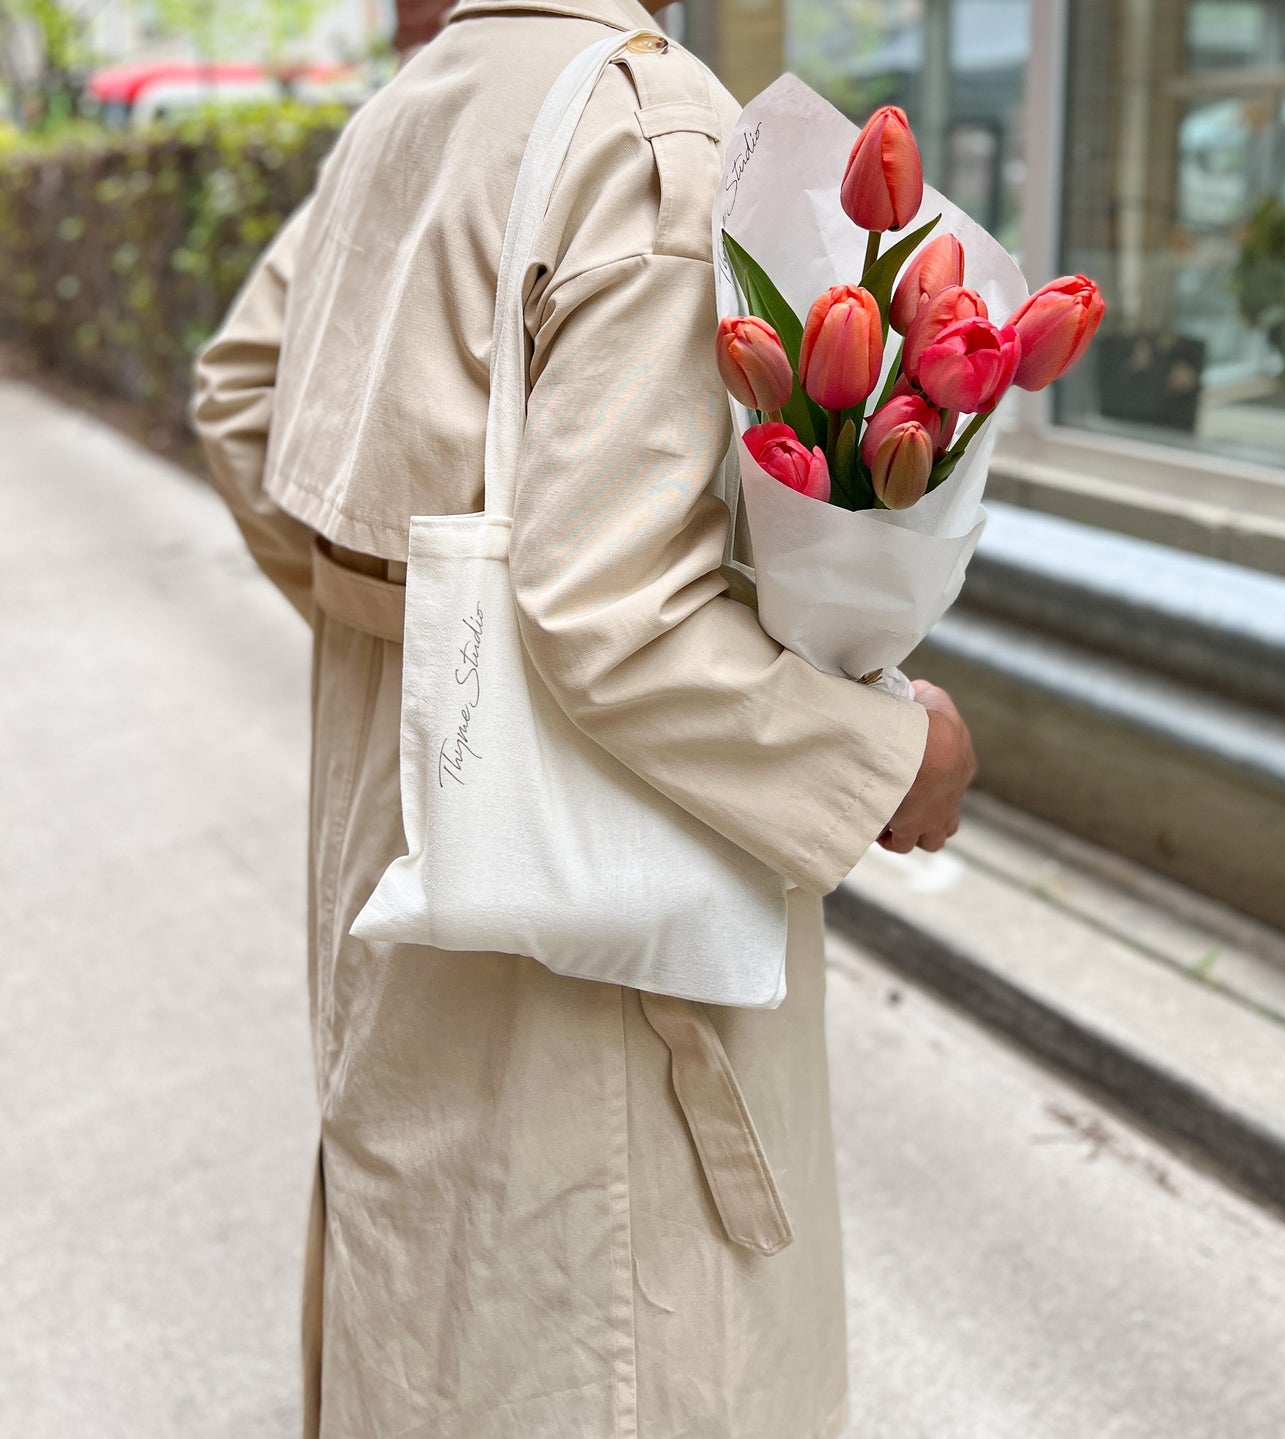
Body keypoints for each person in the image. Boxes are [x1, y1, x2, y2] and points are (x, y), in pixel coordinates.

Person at [191, 0, 977, 1434]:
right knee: (610, 1336)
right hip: (596, 926)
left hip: (400, 833)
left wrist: (410, 622)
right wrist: (894, 753)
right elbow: (614, 614)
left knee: (432, 1305)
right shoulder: (645, 130)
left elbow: (243, 397)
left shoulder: (406, 112)